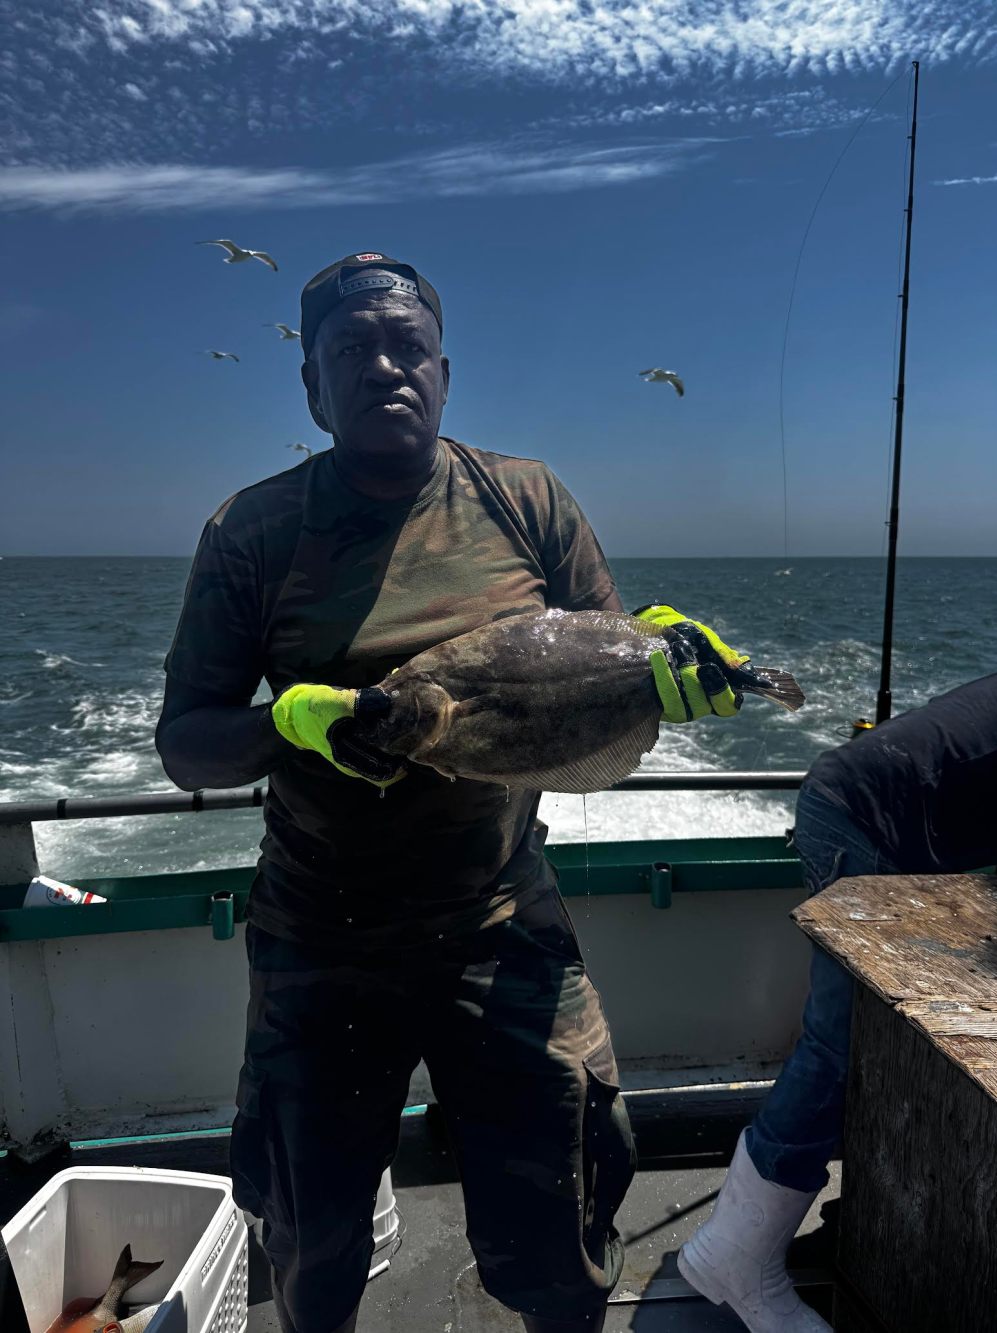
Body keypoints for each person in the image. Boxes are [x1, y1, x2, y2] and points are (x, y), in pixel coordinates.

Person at [155, 251, 749, 1333]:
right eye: (351, 352)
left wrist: (673, 659)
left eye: (406, 347)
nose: (384, 367)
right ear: (311, 389)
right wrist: (290, 725)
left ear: (441, 368)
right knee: (314, 1242)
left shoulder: (525, 498)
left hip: (501, 917)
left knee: (560, 1231)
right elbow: (186, 742)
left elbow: (617, 658)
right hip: (317, 936)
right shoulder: (252, 529)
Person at [678, 671, 997, 1333]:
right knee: (843, 1043)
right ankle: (737, 1250)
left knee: (880, 1039)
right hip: (866, 819)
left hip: (876, 813)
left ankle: (851, 1215)